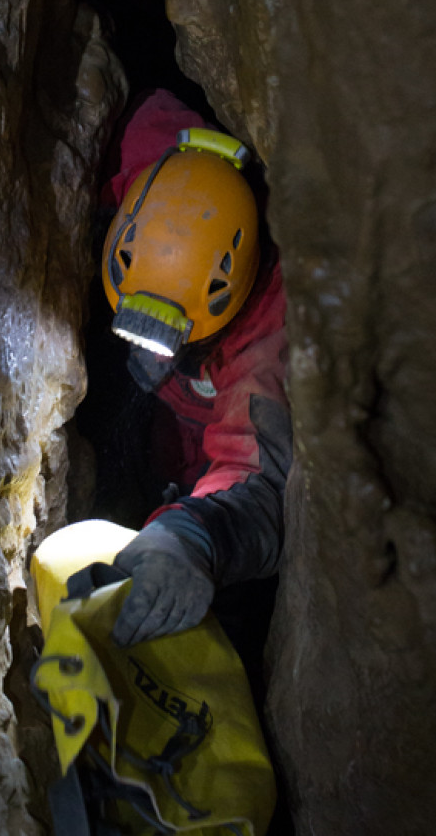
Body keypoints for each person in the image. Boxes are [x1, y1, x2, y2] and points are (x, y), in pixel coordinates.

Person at [95, 88, 291, 649]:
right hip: (164, 434)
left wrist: (190, 537)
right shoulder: (152, 173)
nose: (154, 350)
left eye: (174, 336)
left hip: (200, 466)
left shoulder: (265, 339)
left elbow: (258, 480)